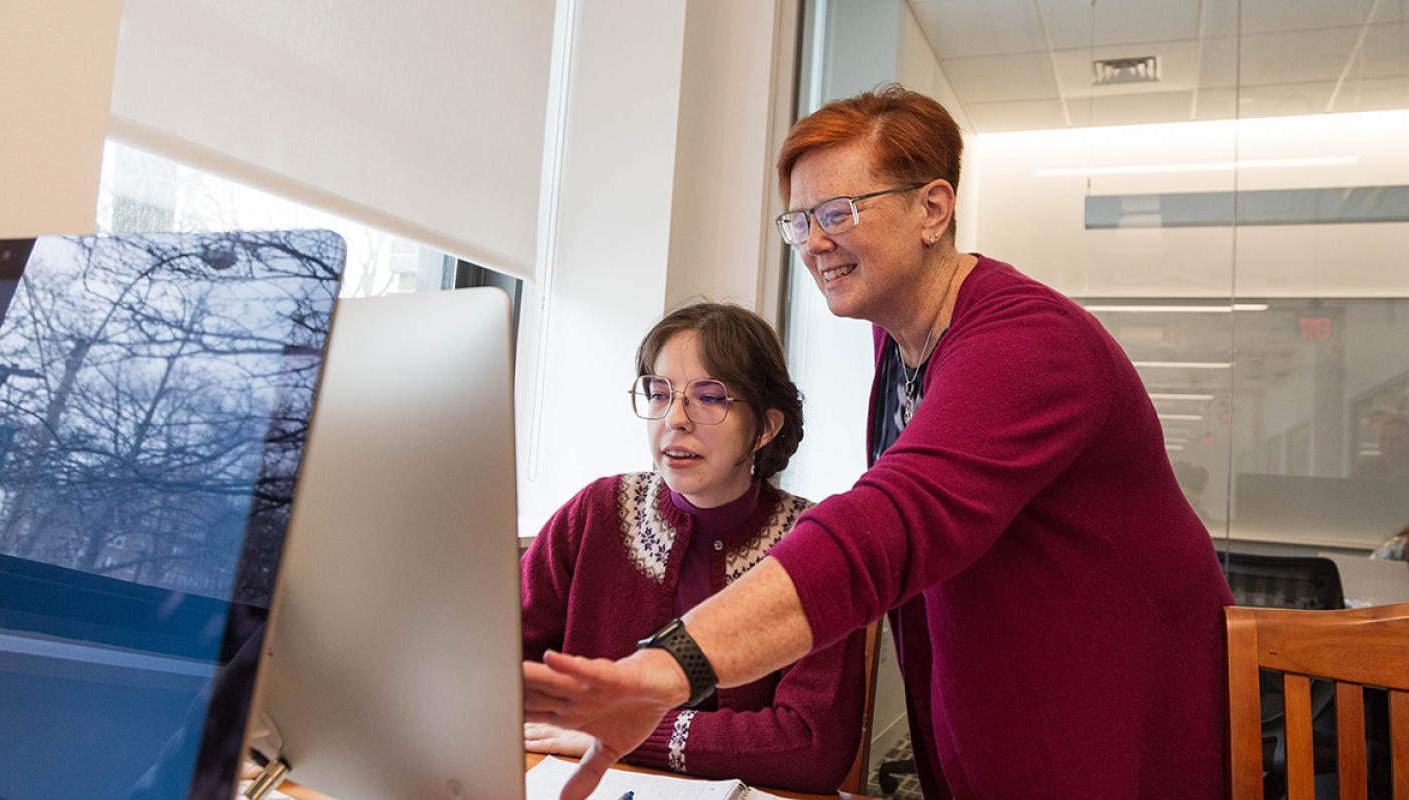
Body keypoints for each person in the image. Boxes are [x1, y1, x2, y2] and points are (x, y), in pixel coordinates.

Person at [525, 85, 1235, 800]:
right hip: (997, 700)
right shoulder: (901, 344)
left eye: (839, 212)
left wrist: (662, 671)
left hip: (1106, 704)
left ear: (933, 208)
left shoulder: (1028, 342)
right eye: (799, 221)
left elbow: (891, 521)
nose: (815, 243)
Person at [519, 302, 865, 794]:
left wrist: (624, 730)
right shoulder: (597, 510)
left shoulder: (815, 542)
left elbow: (811, 747)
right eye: (659, 394)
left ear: (765, 427)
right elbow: (502, 663)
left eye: (709, 398)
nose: (674, 419)